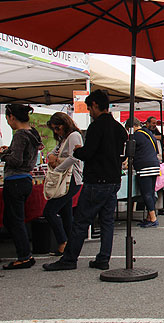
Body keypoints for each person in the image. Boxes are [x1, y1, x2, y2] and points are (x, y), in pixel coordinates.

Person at [44, 89, 127, 271]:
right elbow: (124, 153)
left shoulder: (97, 127)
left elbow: (88, 153)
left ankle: (69, 259)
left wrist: (78, 151)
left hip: (96, 180)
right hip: (113, 180)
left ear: (95, 105)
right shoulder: (118, 128)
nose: (90, 112)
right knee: (107, 222)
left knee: (81, 221)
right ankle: (103, 258)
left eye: (89, 108)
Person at [0, 104, 42, 269]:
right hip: (25, 179)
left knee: (14, 220)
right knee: (14, 219)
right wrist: (9, 151)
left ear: (11, 117)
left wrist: (3, 154)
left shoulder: (20, 135)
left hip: (15, 180)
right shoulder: (33, 133)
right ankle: (25, 253)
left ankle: (24, 256)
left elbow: (16, 160)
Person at [44, 112, 84, 256]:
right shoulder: (64, 138)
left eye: (57, 128)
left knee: (50, 211)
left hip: (70, 177)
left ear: (64, 124)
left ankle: (63, 242)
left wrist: (58, 167)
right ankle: (71, 244)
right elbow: (52, 153)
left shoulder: (73, 136)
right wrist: (52, 157)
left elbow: (75, 157)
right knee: (65, 212)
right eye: (54, 129)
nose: (56, 131)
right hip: (68, 177)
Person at [126, 117, 161, 228]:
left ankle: (153, 218)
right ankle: (149, 217)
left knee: (146, 193)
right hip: (154, 165)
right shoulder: (149, 134)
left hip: (144, 166)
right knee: (150, 193)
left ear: (131, 127)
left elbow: (130, 152)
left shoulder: (136, 136)